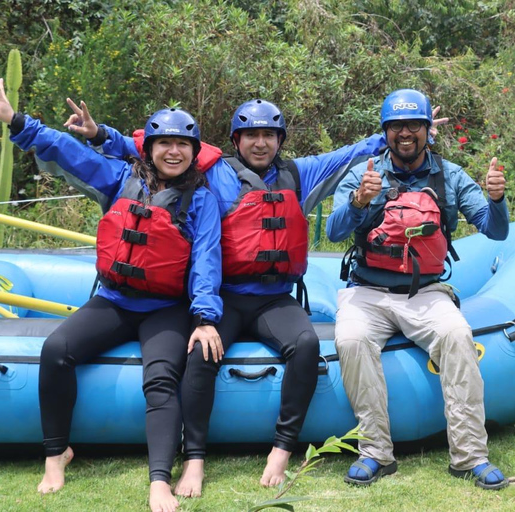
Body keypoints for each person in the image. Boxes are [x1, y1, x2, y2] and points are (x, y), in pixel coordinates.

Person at [65, 98, 440, 496]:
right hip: (225, 297)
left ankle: (281, 449)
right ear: (236, 140)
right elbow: (157, 149)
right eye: (251, 136)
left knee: (306, 343)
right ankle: (194, 459)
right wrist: (102, 135)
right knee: (198, 354)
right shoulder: (212, 171)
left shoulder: (299, 174)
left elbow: (348, 155)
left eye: (268, 136)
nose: (260, 144)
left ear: (279, 140)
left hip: (273, 298)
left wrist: (399, 131)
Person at [0, 78, 223, 512]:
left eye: (183, 144)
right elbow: (68, 151)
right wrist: (18, 122)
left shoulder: (201, 202)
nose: (174, 152)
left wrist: (205, 317)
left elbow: (207, 260)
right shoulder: (119, 177)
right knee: (56, 349)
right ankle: (56, 455)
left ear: (194, 151)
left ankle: (158, 480)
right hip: (114, 300)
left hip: (165, 309)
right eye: (164, 143)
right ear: (148, 148)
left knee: (160, 380)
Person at [325, 89, 510, 490]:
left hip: (426, 291)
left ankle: (470, 455)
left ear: (428, 130)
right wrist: (359, 201)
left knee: (457, 335)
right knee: (351, 339)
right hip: (368, 291)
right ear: (385, 132)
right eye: (396, 126)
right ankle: (375, 452)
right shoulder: (365, 172)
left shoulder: (451, 175)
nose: (405, 133)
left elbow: (495, 230)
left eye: (413, 125)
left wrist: (498, 199)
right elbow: (332, 230)